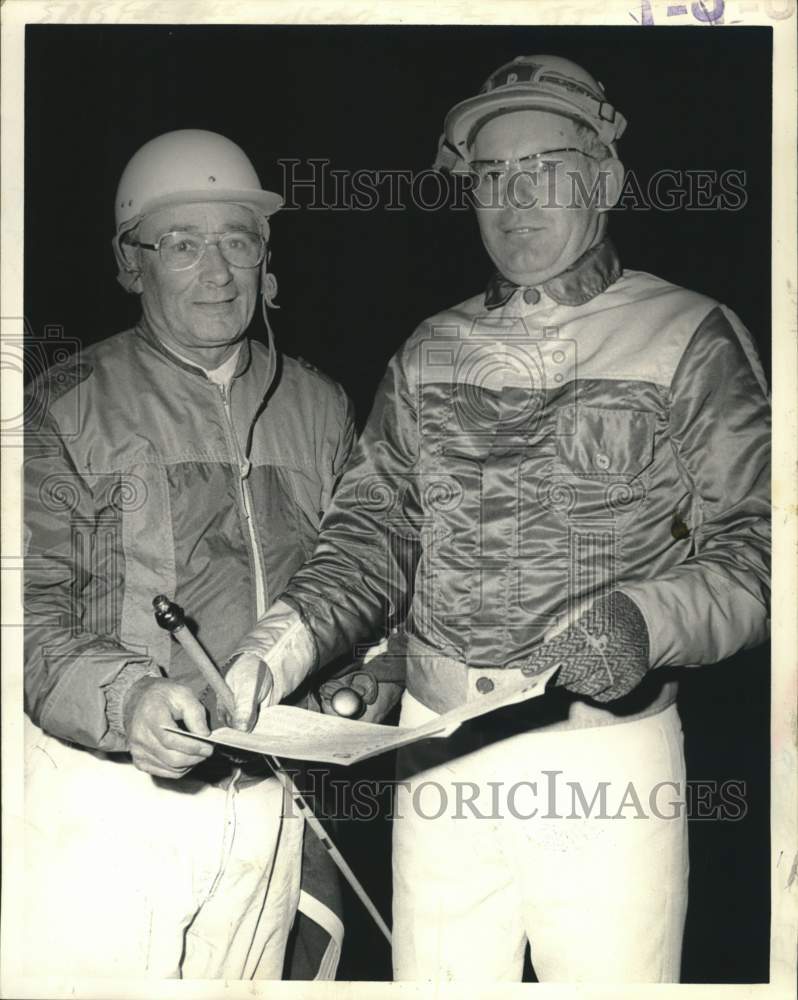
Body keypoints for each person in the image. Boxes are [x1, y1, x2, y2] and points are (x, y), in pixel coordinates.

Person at [226, 56, 771, 982]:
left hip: (602, 765)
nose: (515, 199)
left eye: (544, 169)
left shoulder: (690, 335)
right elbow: (370, 535)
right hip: (436, 754)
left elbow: (762, 549)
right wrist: (272, 652)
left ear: (605, 180)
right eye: (491, 175)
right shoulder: (428, 349)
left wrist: (645, 620)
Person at [23, 129, 354, 980]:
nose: (217, 273)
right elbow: (24, 614)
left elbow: (361, 572)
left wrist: (360, 681)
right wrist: (127, 699)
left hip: (271, 795)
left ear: (265, 258)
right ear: (130, 264)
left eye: (237, 243)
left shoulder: (319, 404)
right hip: (113, 802)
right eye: (181, 245)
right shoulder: (64, 405)